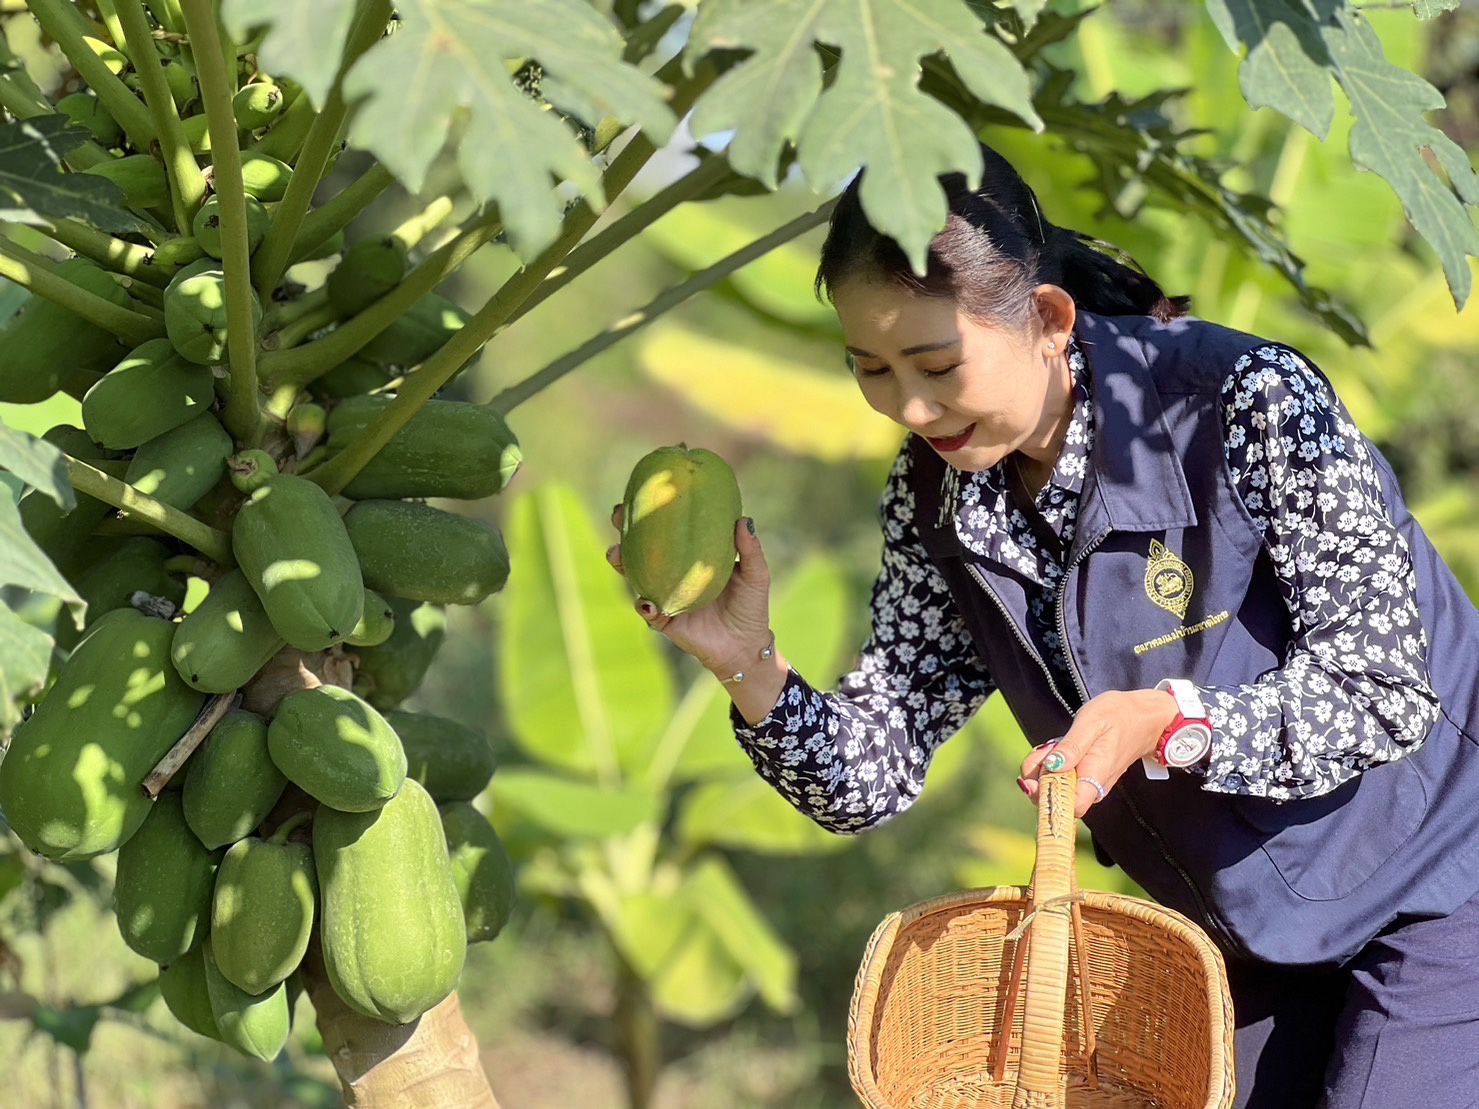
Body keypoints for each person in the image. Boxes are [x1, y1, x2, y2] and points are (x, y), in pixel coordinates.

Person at [605, 144, 1479, 1108]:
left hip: (1443, 873)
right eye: (871, 368)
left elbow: (1385, 691)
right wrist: (746, 666)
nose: (910, 404)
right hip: (1247, 924)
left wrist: (1169, 720)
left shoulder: (1249, 401)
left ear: (1050, 319)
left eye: (936, 363)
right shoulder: (934, 491)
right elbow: (871, 774)